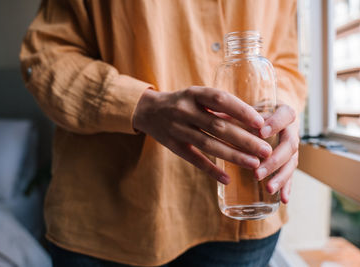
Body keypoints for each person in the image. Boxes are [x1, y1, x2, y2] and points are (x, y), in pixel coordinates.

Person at [20, 0, 306, 266]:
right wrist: (141, 106)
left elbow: (287, 64)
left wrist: (284, 112)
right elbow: (45, 58)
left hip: (246, 222)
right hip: (110, 221)